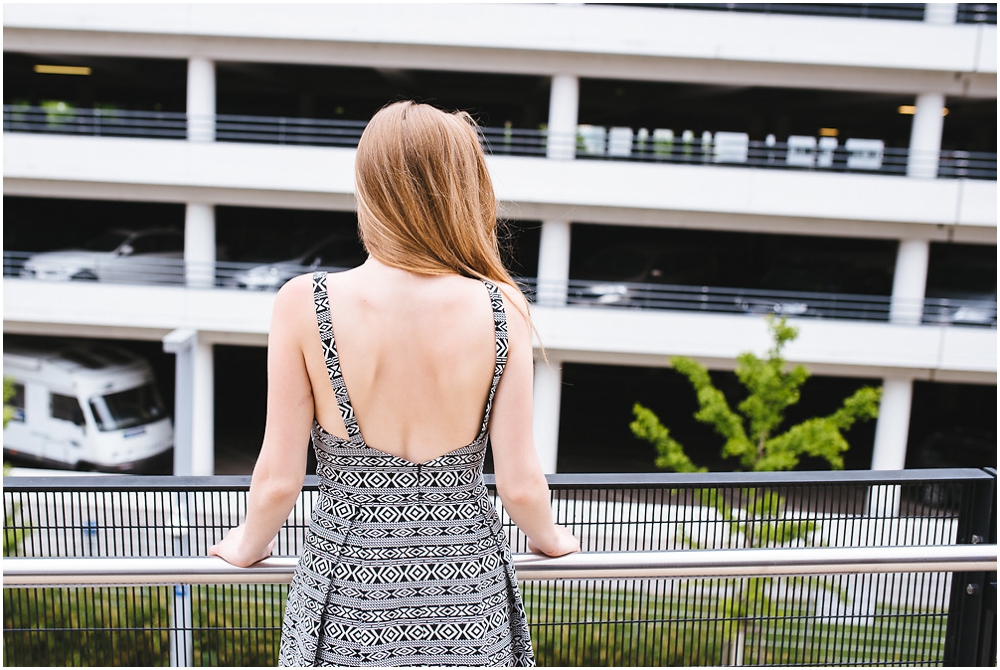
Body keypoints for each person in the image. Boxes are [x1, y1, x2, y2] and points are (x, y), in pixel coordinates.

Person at [209, 100, 580, 667]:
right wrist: (551, 540)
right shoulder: (503, 308)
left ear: (370, 191)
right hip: (467, 603)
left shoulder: (306, 305)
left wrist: (245, 546)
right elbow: (522, 486)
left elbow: (279, 482)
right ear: (463, 191)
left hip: (344, 604)